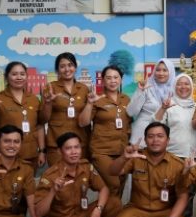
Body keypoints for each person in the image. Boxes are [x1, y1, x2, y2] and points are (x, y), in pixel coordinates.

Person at [35, 132, 121, 217]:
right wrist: (52, 191)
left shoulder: (85, 166)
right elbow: (38, 212)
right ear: (59, 151)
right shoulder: (50, 175)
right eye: (68, 148)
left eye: (77, 147)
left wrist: (98, 210)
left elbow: (104, 189)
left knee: (114, 203)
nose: (74, 152)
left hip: (80, 215)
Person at [109, 122, 190, 217]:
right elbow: (113, 171)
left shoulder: (177, 164)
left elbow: (183, 196)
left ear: (168, 140)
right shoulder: (136, 157)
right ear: (145, 140)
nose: (155, 140)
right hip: (137, 209)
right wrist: (123, 157)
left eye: (160, 136)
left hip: (164, 211)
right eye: (151, 136)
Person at [0, 62, 46, 167]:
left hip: (30, 155)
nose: (19, 77)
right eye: (14, 74)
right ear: (7, 77)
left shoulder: (34, 99)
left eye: (22, 74)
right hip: (3, 155)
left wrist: (42, 151)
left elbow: (39, 126)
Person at [154, 73, 196, 217]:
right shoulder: (169, 106)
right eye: (179, 84)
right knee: (168, 195)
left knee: (187, 195)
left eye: (187, 84)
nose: (183, 87)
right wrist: (163, 108)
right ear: (174, 86)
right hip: (171, 157)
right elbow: (155, 125)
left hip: (191, 158)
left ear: (192, 87)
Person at [78, 65, 131, 196]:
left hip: (122, 150)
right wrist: (89, 103)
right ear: (103, 80)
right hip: (102, 151)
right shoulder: (97, 99)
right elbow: (82, 122)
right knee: (114, 184)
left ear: (121, 80)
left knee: (120, 186)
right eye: (109, 78)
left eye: (116, 77)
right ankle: (102, 208)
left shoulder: (126, 99)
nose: (113, 81)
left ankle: (112, 209)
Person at [40, 52, 90, 166]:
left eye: (70, 65)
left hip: (80, 144)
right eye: (62, 66)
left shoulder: (84, 89)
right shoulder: (50, 87)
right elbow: (43, 119)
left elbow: (87, 120)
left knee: (80, 175)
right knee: (58, 175)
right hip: (56, 144)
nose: (67, 69)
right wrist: (48, 103)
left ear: (75, 67)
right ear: (57, 70)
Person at [127, 58, 176, 148]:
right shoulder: (147, 87)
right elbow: (131, 112)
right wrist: (140, 91)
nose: (161, 73)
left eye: (165, 70)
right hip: (141, 137)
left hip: (165, 141)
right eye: (158, 70)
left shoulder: (175, 91)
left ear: (171, 72)